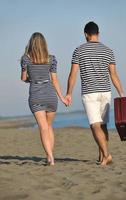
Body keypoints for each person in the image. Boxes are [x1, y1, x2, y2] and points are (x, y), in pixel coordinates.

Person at [66, 22, 125, 166]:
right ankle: (102, 157)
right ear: (98, 33)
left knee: (95, 125)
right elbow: (114, 75)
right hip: (106, 92)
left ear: (86, 34)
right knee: (103, 125)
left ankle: (106, 155)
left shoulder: (78, 51)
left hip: (90, 93)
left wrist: (69, 93)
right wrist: (121, 93)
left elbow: (72, 75)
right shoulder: (108, 51)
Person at [20, 32, 68, 166]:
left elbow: (23, 78)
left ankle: (50, 157)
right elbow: (55, 80)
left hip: (36, 95)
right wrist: (62, 98)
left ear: (31, 44)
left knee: (43, 128)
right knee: (49, 126)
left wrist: (32, 78)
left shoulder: (26, 59)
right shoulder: (51, 59)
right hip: (51, 95)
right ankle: (50, 155)